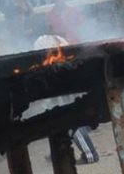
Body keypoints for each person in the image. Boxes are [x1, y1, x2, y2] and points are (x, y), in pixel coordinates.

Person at [33, 32, 99, 163]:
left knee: (75, 124)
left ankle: (90, 154)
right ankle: (58, 153)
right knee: (55, 121)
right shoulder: (42, 41)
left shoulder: (55, 42)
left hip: (68, 87)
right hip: (57, 86)